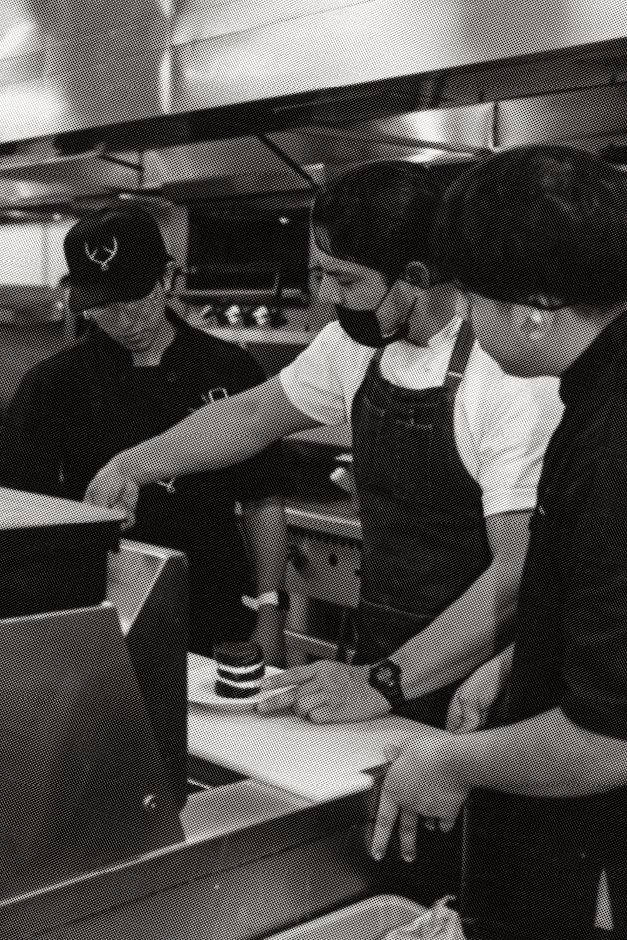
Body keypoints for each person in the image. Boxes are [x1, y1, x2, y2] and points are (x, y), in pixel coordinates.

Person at [85, 162, 562, 730]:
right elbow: (251, 415)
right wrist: (131, 464)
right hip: (384, 650)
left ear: (414, 277)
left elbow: (515, 574)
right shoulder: (353, 346)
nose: (329, 297)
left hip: (483, 676)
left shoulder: (505, 376)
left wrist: (384, 681)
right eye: (322, 276)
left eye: (345, 280)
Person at [372, 146, 627, 939]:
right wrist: (520, 659)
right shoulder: (599, 385)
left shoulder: (611, 447)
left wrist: (448, 762)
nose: (464, 320)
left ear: (533, 312)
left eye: (472, 300)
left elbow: (610, 741)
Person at [0, 207, 288, 662]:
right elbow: (24, 513)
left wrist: (270, 612)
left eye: (134, 299)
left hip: (214, 600)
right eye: (103, 307)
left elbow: (262, 500)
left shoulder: (230, 369)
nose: (124, 321)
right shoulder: (52, 384)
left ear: (166, 278)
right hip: (101, 604)